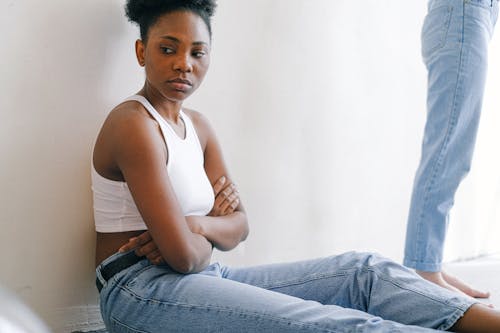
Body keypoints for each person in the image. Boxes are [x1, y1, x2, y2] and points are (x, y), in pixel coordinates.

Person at [92, 0, 500, 331]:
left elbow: (239, 227)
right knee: (337, 325)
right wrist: (201, 233)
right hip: (137, 292)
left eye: (197, 52)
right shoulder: (134, 124)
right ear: (142, 50)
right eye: (168, 48)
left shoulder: (198, 127)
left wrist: (196, 226)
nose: (184, 63)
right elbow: (182, 255)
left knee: (364, 271)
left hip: (201, 278)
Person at [404, 0, 498, 297]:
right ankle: (425, 271)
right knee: (446, 153)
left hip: (470, 15)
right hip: (462, 14)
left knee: (452, 154)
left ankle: (430, 263)